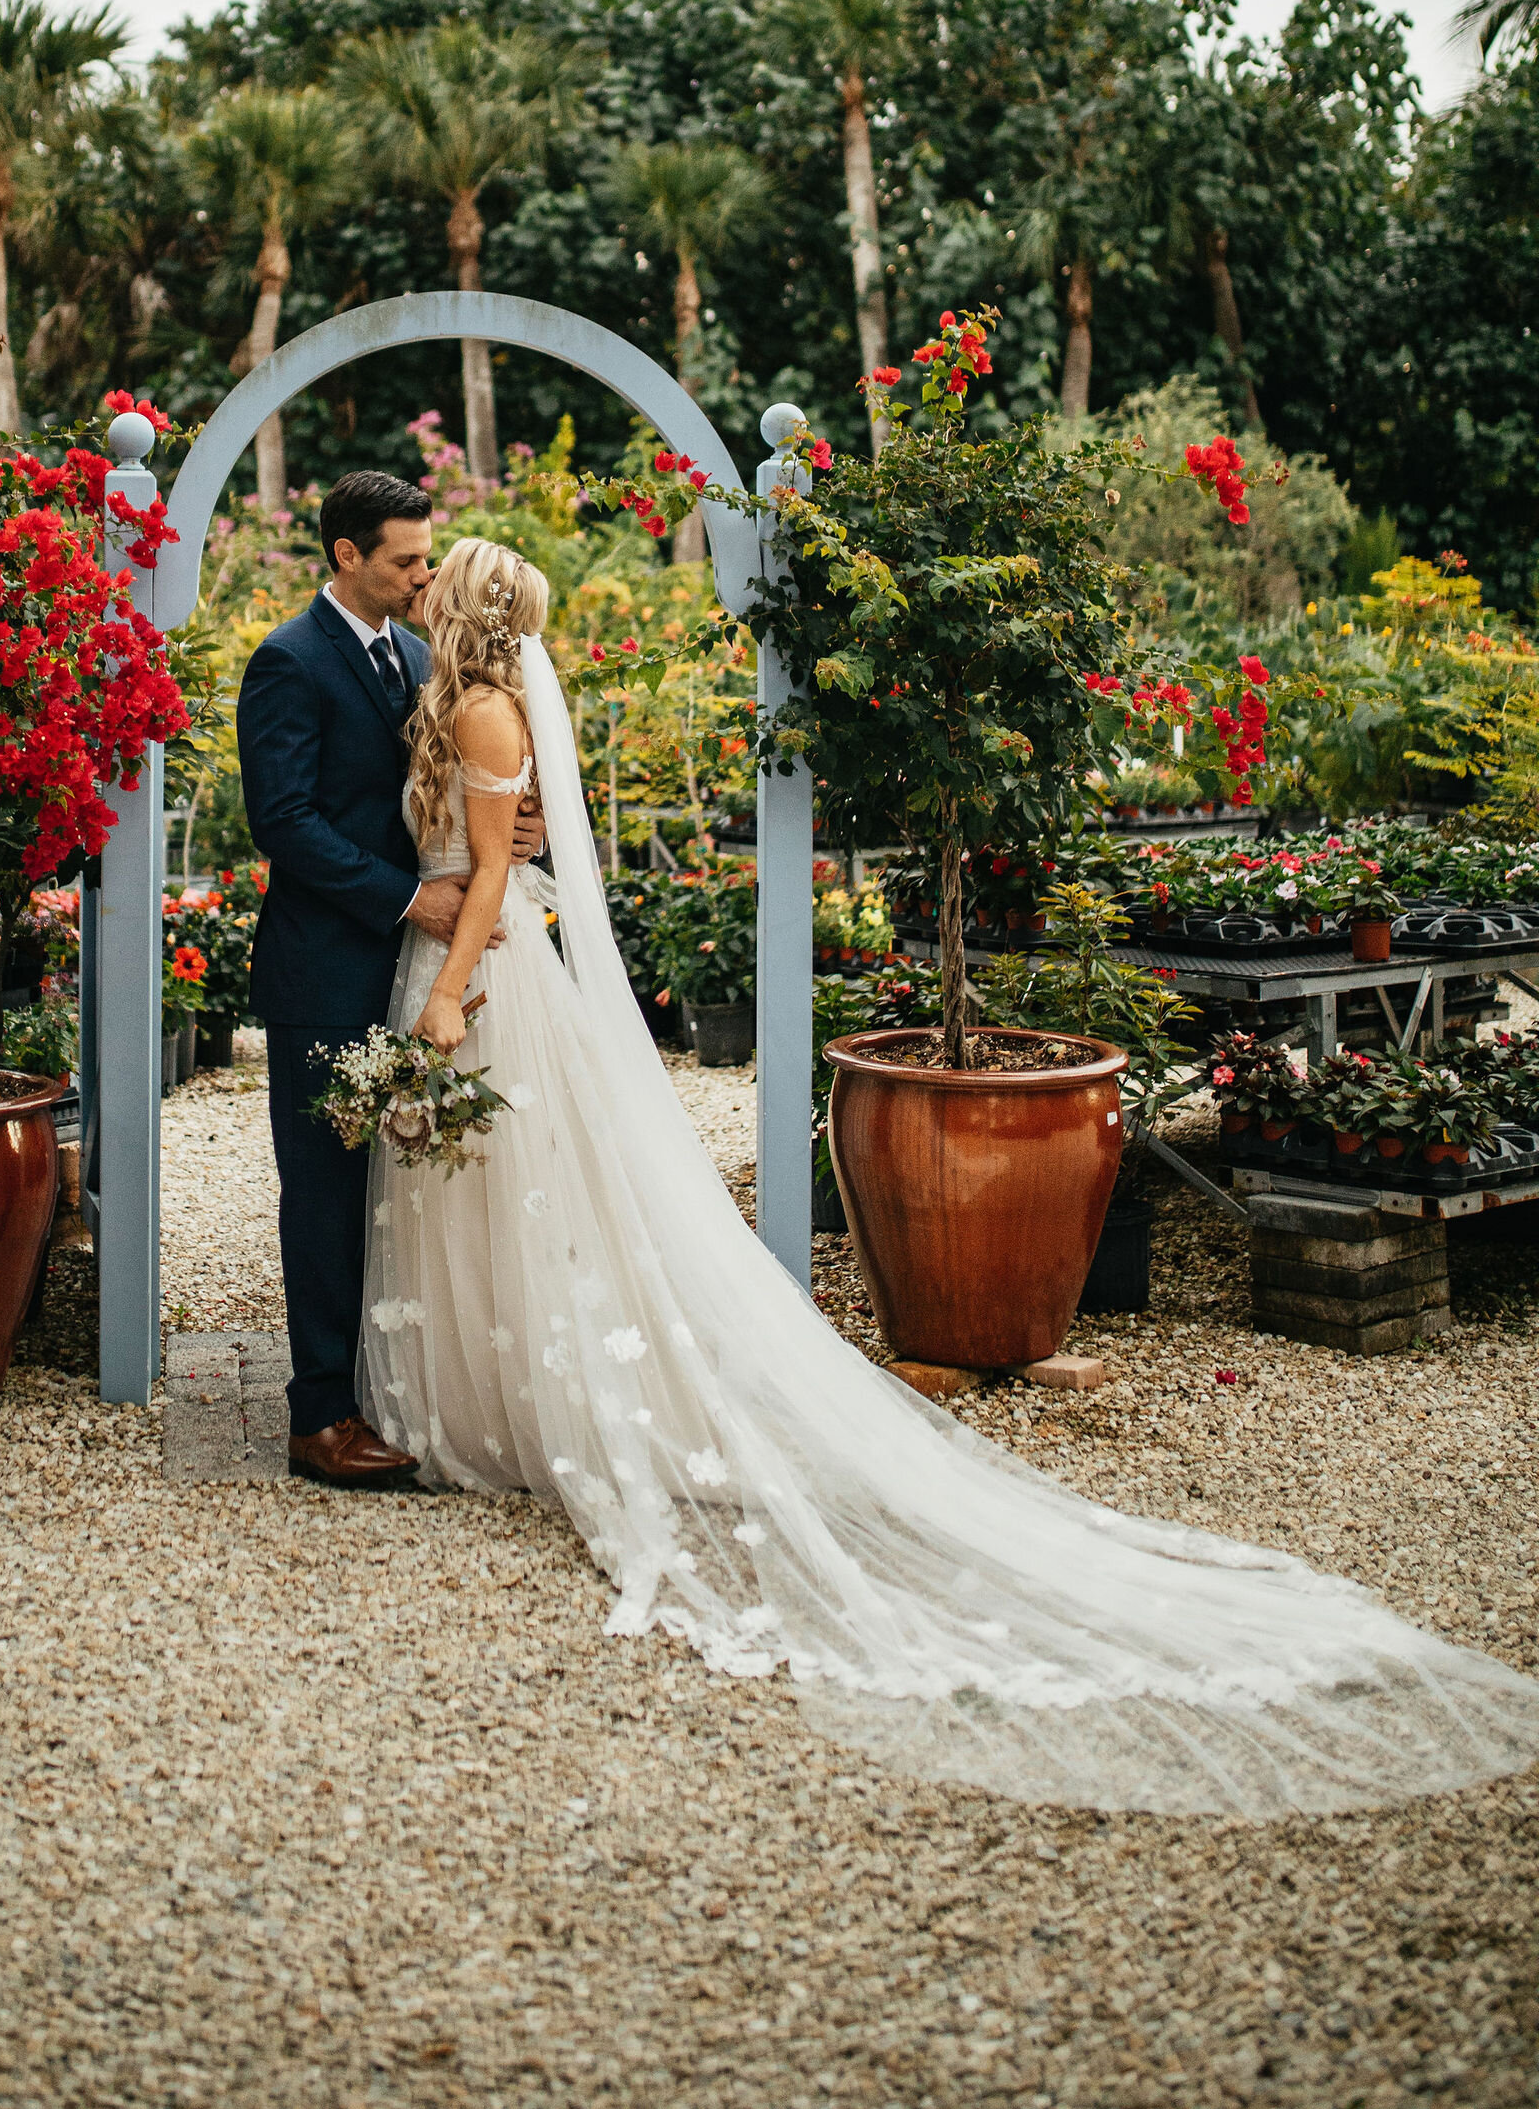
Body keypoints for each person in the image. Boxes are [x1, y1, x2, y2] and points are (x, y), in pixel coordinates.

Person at [361, 532, 1539, 1817]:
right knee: (480, 1183)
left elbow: (484, 878)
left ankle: (507, 1407)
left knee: (507, 1174)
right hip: (456, 964)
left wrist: (450, 995)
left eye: (435, 581)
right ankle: (484, 1396)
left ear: (463, 610)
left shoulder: (479, 708)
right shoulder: (455, 703)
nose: (418, 592)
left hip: (476, 978)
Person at [237, 472, 544, 1490]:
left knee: (400, 1186)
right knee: (322, 1190)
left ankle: (390, 1381)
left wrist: (510, 830)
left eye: (426, 559)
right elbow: (283, 823)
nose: (422, 576)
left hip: (416, 967)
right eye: (405, 560)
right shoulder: (286, 661)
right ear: (345, 557)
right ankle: (317, 1415)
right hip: (326, 965)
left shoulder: (419, 658)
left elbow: (450, 785)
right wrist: (407, 901)